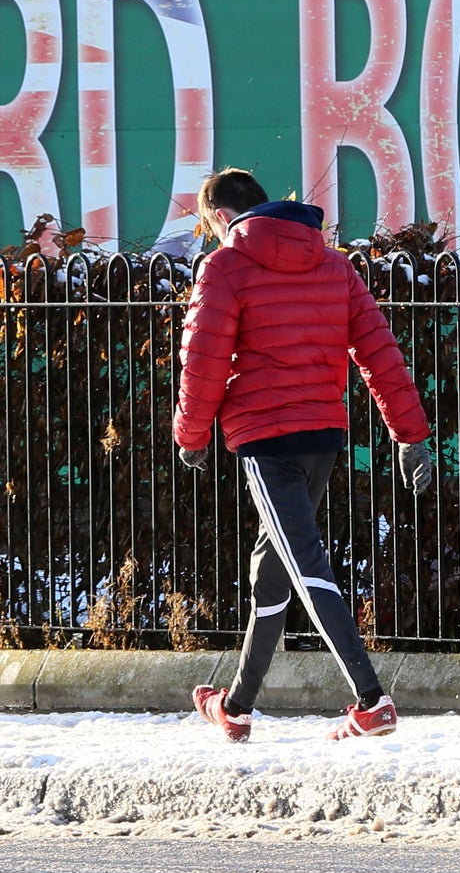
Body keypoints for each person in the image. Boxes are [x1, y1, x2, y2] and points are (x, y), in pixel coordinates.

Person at [173, 167, 436, 743]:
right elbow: (378, 352)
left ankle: (371, 700)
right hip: (323, 435)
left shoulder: (224, 266)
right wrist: (409, 433)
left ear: (220, 216)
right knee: (272, 570)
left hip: (266, 441)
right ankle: (237, 706)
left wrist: (191, 435)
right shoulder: (333, 264)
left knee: (304, 565)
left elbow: (204, 361)